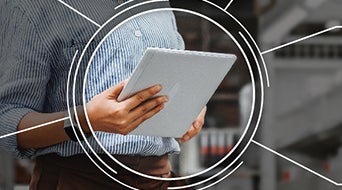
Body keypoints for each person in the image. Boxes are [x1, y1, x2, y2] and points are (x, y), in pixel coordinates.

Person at [0, 0, 206, 189]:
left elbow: (176, 78)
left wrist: (188, 105)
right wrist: (85, 120)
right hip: (76, 180)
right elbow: (6, 120)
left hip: (160, 178)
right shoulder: (32, 6)